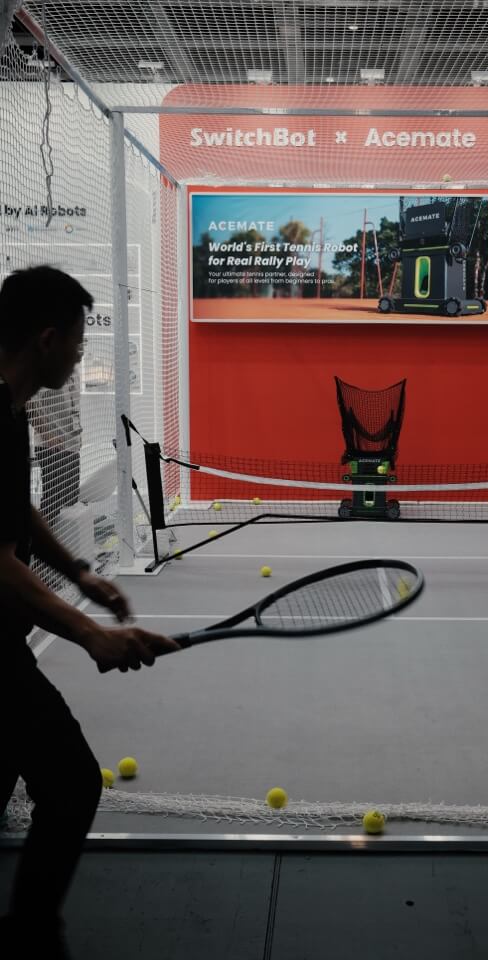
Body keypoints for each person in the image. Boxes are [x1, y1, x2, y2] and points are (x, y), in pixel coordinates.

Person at [0, 266, 180, 959]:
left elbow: (13, 515)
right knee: (72, 782)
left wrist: (78, 572)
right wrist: (90, 635)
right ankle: (33, 940)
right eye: (77, 344)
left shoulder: (12, 409)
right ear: (47, 340)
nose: (80, 358)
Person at [29, 367, 83, 527]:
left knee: (71, 500)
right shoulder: (45, 369)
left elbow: (73, 407)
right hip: (51, 446)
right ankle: (39, 547)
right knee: (53, 502)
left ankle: (65, 544)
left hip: (71, 445)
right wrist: (47, 435)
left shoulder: (73, 370)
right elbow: (30, 404)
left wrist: (78, 434)